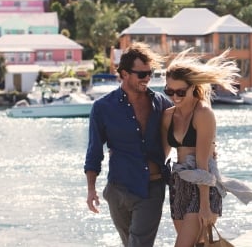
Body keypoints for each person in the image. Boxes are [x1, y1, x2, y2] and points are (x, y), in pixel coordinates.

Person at [84, 43, 172, 247]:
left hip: (151, 188)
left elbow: (184, 128)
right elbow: (94, 151)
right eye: (141, 74)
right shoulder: (102, 108)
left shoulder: (162, 104)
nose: (147, 78)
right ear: (124, 73)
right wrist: (91, 189)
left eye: (150, 73)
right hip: (118, 190)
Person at [160, 49, 242, 247]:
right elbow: (162, 155)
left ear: (193, 87)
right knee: (196, 244)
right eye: (169, 91)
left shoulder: (203, 113)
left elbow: (203, 164)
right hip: (179, 184)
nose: (175, 96)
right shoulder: (168, 115)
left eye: (180, 92)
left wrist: (205, 206)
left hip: (203, 186)